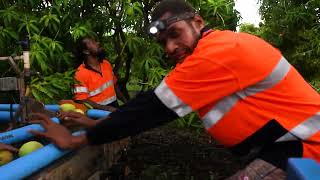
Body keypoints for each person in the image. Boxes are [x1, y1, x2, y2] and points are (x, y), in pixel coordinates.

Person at [29, 0, 320, 179]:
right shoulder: (211, 52)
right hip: (287, 148)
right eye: (163, 42)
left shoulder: (215, 54)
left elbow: (152, 109)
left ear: (198, 22)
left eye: (175, 34)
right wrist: (96, 122)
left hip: (305, 150)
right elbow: (150, 104)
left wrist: (77, 141)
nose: (170, 48)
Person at [72, 37, 126, 112]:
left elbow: (114, 85)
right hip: (97, 113)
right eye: (93, 42)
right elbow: (81, 100)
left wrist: (126, 102)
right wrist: (107, 109)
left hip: (114, 106)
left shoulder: (106, 64)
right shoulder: (80, 73)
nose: (98, 43)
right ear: (86, 51)